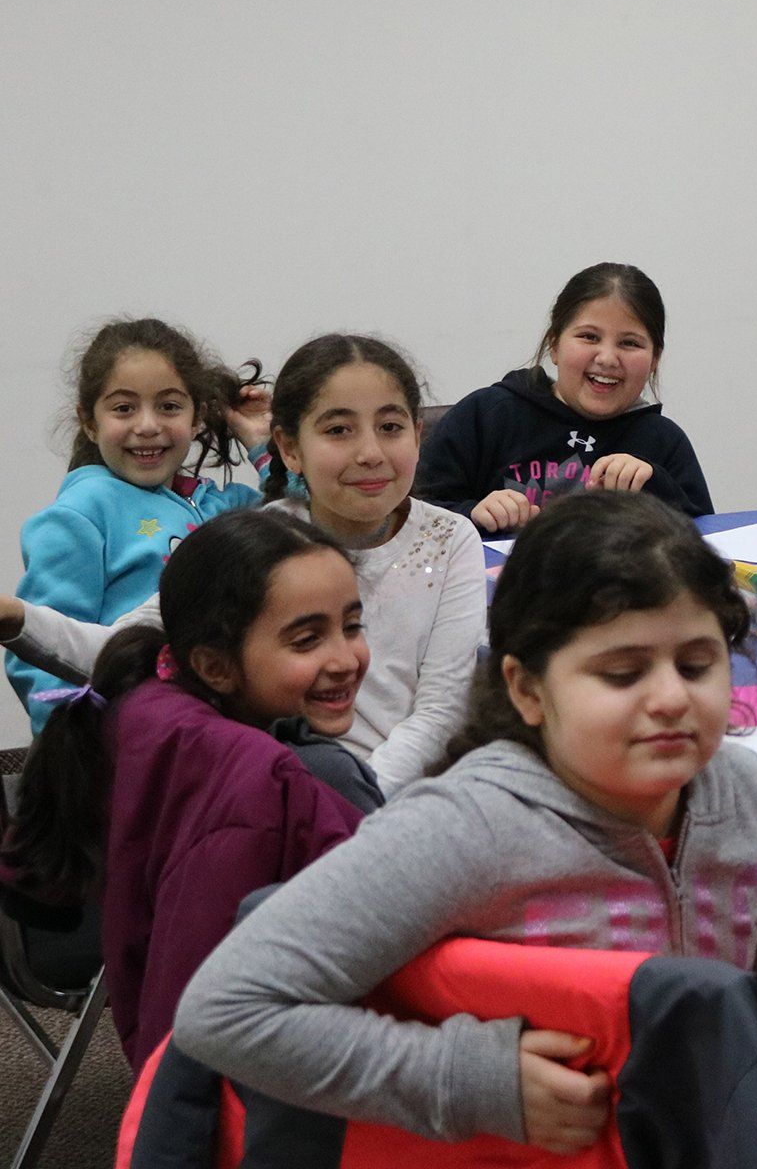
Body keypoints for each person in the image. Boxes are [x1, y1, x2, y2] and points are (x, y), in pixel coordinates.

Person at [174, 491, 757, 1161]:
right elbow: (228, 1011)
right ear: (527, 687)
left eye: (698, 661)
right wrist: (474, 1077)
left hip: (715, 1126)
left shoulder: (737, 789)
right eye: (622, 674)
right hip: (544, 1151)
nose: (671, 700)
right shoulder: (466, 825)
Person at [0, 335, 488, 792]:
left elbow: (441, 712)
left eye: (391, 427)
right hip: (278, 789)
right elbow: (122, 646)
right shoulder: (261, 537)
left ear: (418, 434)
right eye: (339, 430)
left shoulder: (451, 538)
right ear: (291, 448)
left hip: (397, 801)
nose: (370, 453)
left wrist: (361, 804)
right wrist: (15, 617)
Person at [0, 509, 377, 1066]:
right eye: (306, 640)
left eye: (352, 626)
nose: (346, 659)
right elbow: (194, 1021)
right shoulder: (268, 780)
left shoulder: (153, 695)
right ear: (215, 666)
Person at [6, 317, 270, 730]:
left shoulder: (227, 506)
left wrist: (259, 440)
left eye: (169, 406)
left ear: (197, 417)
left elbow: (316, 521)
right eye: (124, 408)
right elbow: (41, 656)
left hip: (231, 734)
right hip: (131, 749)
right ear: (90, 422)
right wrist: (84, 752)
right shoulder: (80, 515)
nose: (147, 426)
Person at [416, 262, 713, 532]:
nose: (608, 358)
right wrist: (472, 514)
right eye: (589, 337)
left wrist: (654, 486)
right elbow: (410, 515)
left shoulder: (664, 442)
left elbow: (703, 544)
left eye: (630, 343)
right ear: (555, 346)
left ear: (654, 359)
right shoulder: (488, 415)